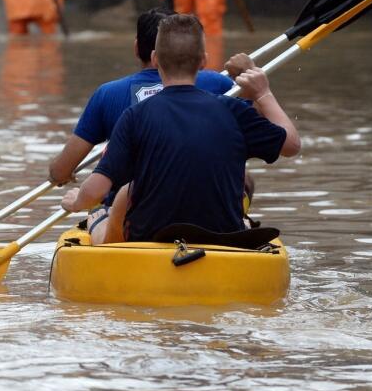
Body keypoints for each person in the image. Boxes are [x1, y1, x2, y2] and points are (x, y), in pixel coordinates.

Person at [62, 14, 301, 243]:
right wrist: (263, 93)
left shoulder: (134, 116)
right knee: (244, 182)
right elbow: (292, 146)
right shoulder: (234, 110)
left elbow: (96, 190)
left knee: (108, 206)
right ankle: (242, 223)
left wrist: (76, 203)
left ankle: (100, 225)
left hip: (150, 237)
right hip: (222, 235)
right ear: (204, 61)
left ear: (155, 59)